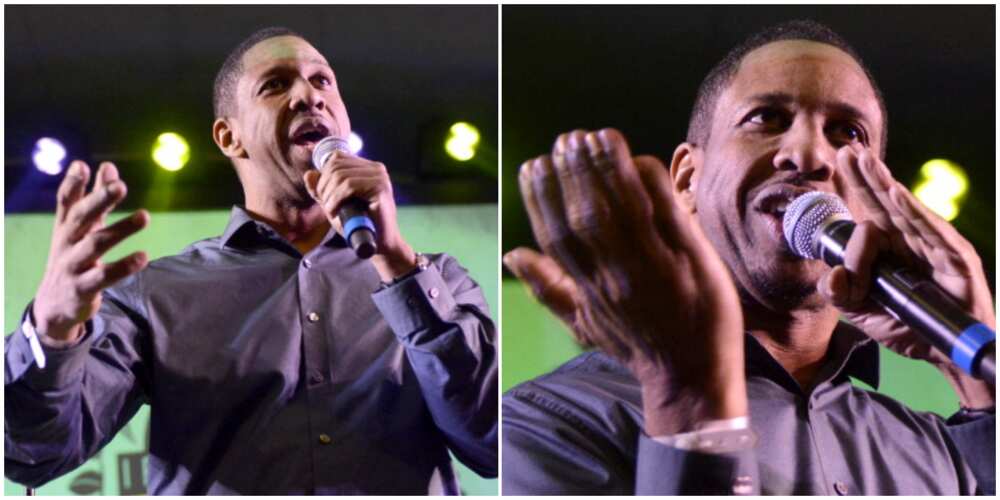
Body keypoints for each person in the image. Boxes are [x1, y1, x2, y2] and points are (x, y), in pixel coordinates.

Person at [502, 20, 994, 495]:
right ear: (687, 178)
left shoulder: (937, 453)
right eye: (767, 118)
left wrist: (979, 382)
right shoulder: (550, 421)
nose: (810, 155)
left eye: (847, 132)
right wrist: (691, 408)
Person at [5, 27, 497, 495]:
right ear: (228, 137)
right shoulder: (156, 295)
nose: (310, 96)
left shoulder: (439, 280)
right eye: (276, 85)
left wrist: (397, 262)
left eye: (322, 79)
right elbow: (32, 453)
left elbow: (492, 441)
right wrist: (49, 331)